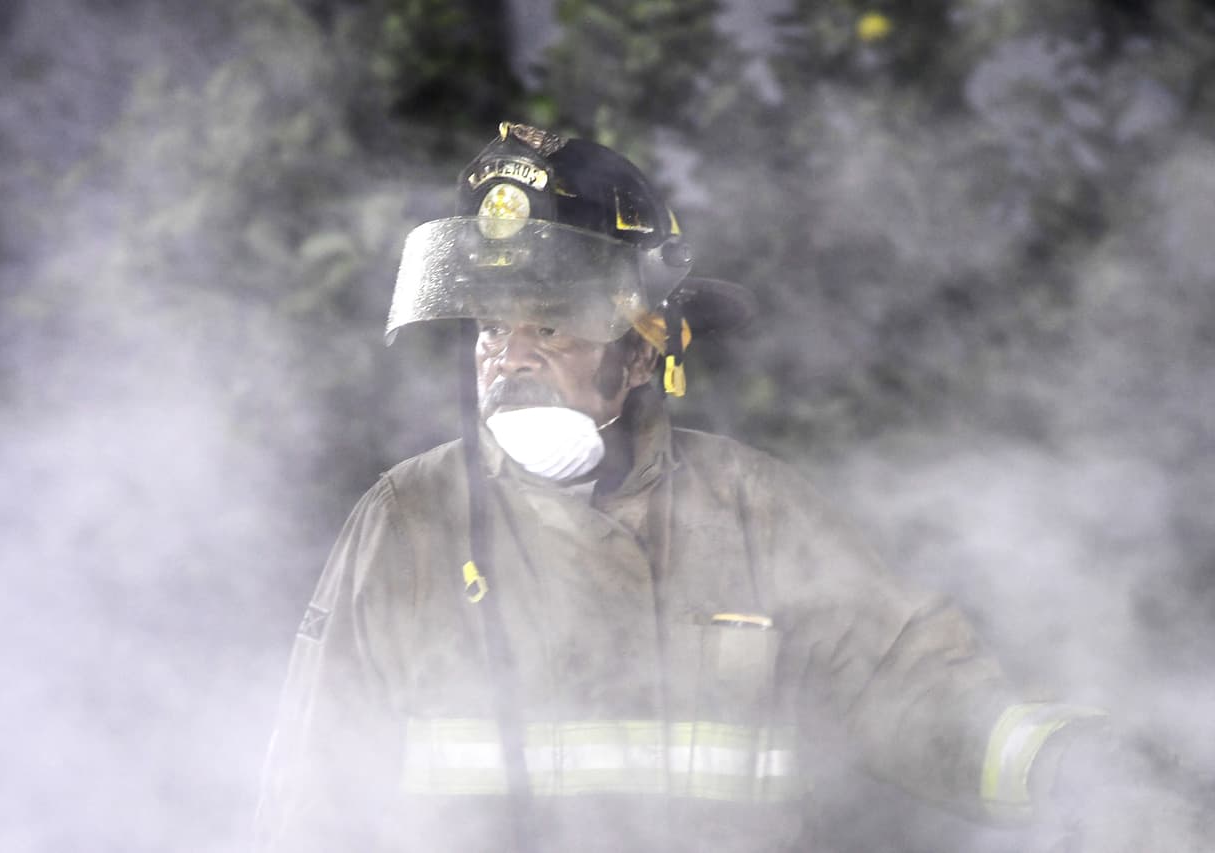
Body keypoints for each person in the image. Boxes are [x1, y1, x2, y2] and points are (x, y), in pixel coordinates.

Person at [256, 123, 1209, 852]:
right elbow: (312, 794)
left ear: (644, 351)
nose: (510, 358)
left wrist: (1077, 767)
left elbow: (909, 685)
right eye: (489, 329)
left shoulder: (753, 512)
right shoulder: (409, 522)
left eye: (548, 327)